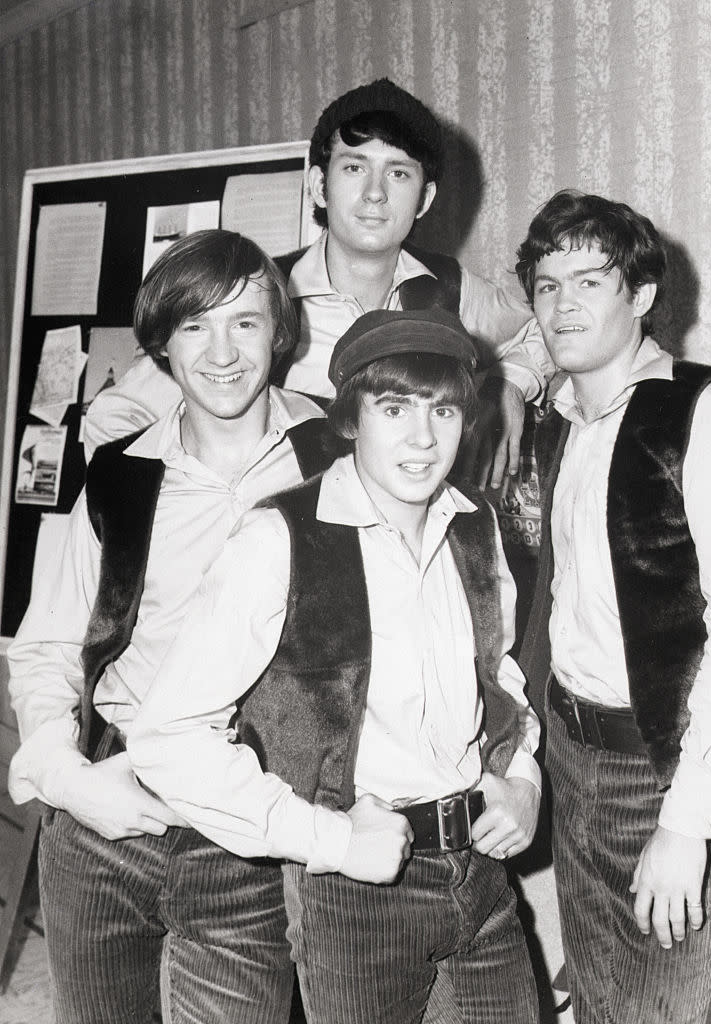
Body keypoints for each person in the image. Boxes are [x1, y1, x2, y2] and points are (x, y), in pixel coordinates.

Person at [126, 308, 543, 1024]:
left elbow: (498, 679)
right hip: (357, 895)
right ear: (350, 418)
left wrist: (522, 781)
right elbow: (166, 737)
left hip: (481, 873)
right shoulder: (277, 537)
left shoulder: (475, 523)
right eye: (393, 408)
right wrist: (333, 841)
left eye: (442, 410)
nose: (421, 438)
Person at [6, 229, 338, 1024]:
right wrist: (68, 778)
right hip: (106, 820)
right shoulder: (116, 476)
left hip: (252, 834)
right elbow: (47, 645)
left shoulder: (339, 457)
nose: (221, 353)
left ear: (279, 333)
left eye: (245, 323)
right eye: (195, 325)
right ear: (161, 343)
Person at [515, 189, 711, 1024]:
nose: (562, 304)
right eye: (546, 283)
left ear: (640, 296)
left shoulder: (709, 415)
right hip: (571, 750)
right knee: (599, 1004)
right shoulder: (555, 422)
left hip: (661, 769)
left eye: (588, 282)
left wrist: (687, 822)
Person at [84, 78, 553, 490]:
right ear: (317, 185)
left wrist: (508, 384)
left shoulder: (450, 288)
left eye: (398, 172)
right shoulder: (258, 294)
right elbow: (114, 417)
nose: (375, 192)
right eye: (353, 167)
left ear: (425, 197)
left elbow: (552, 324)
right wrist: (198, 510)